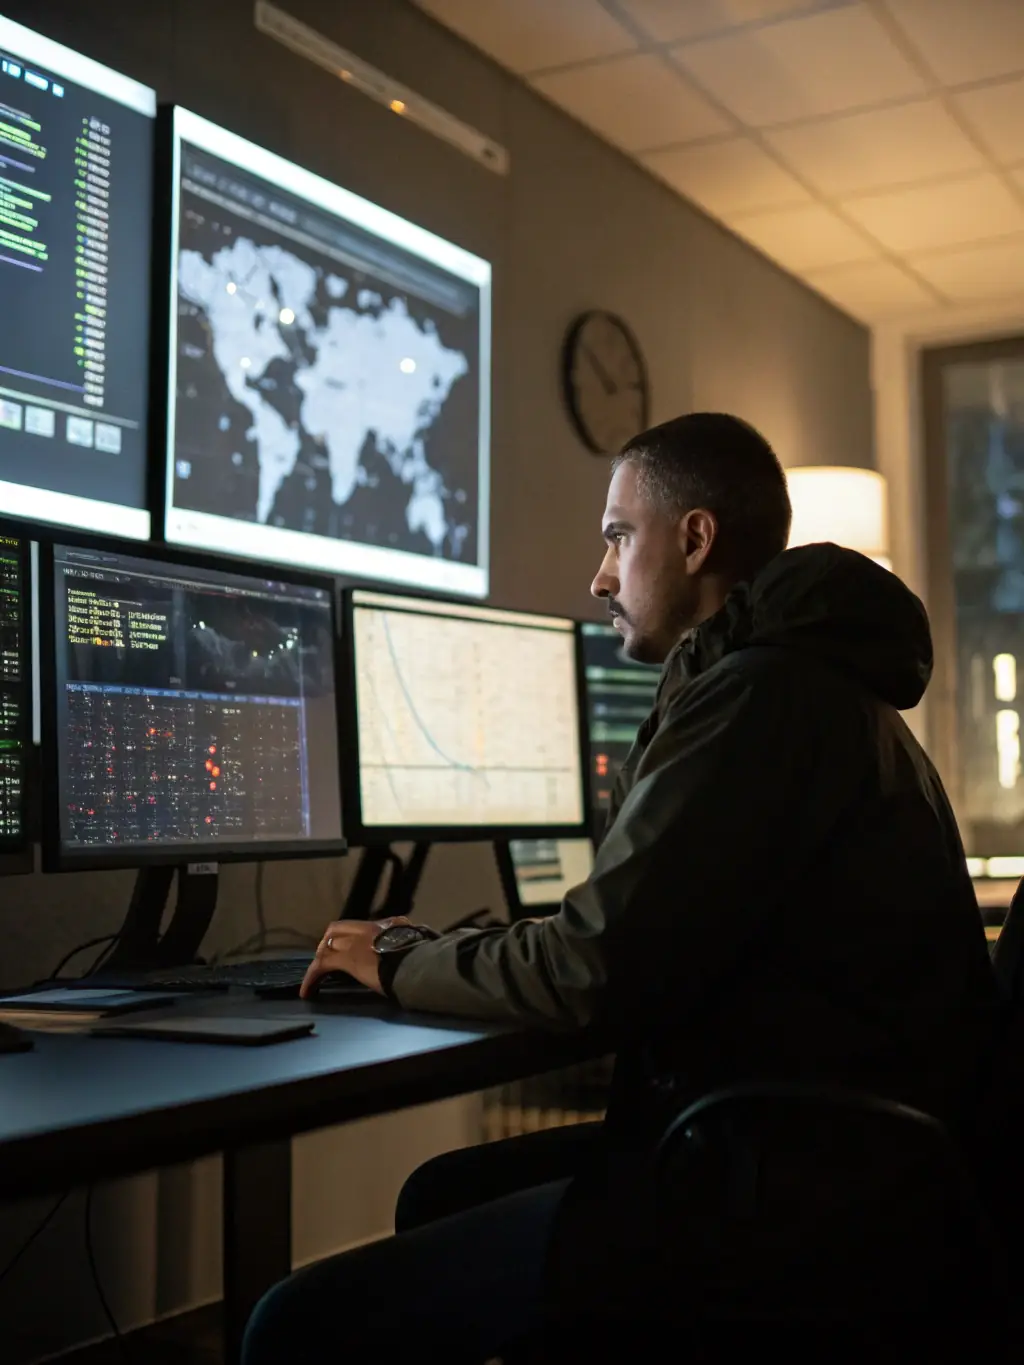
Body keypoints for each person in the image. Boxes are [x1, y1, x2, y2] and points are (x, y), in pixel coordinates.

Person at [242, 413, 1001, 1364]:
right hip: (838, 1166)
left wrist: (400, 954)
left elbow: (590, 968)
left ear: (694, 538)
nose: (600, 576)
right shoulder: (814, 689)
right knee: (439, 1193)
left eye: (617, 535)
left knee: (291, 1326)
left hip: (788, 1197)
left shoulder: (761, 697)